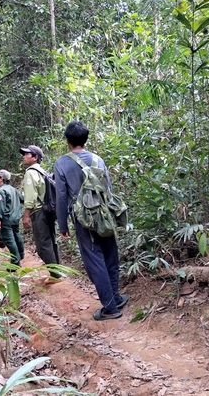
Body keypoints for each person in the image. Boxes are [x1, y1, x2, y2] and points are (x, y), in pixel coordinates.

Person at [54, 121, 129, 321]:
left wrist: (62, 225)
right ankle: (116, 297)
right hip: (105, 215)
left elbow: (61, 197)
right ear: (85, 139)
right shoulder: (98, 159)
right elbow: (109, 189)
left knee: (95, 261)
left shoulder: (62, 163)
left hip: (84, 219)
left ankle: (110, 307)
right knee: (110, 255)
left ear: (68, 141)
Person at [20, 145, 61, 284]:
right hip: (48, 211)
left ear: (35, 157)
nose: (24, 156)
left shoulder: (30, 173)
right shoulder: (43, 171)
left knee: (43, 244)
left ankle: (55, 275)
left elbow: (30, 197)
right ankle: (58, 271)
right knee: (51, 240)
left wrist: (26, 215)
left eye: (27, 154)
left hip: (38, 212)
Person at [0, 170, 25, 267]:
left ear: (1, 179)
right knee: (16, 236)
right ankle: (21, 254)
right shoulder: (13, 189)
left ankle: (15, 263)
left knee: (9, 240)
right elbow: (22, 199)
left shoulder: (1, 191)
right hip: (16, 218)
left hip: (6, 219)